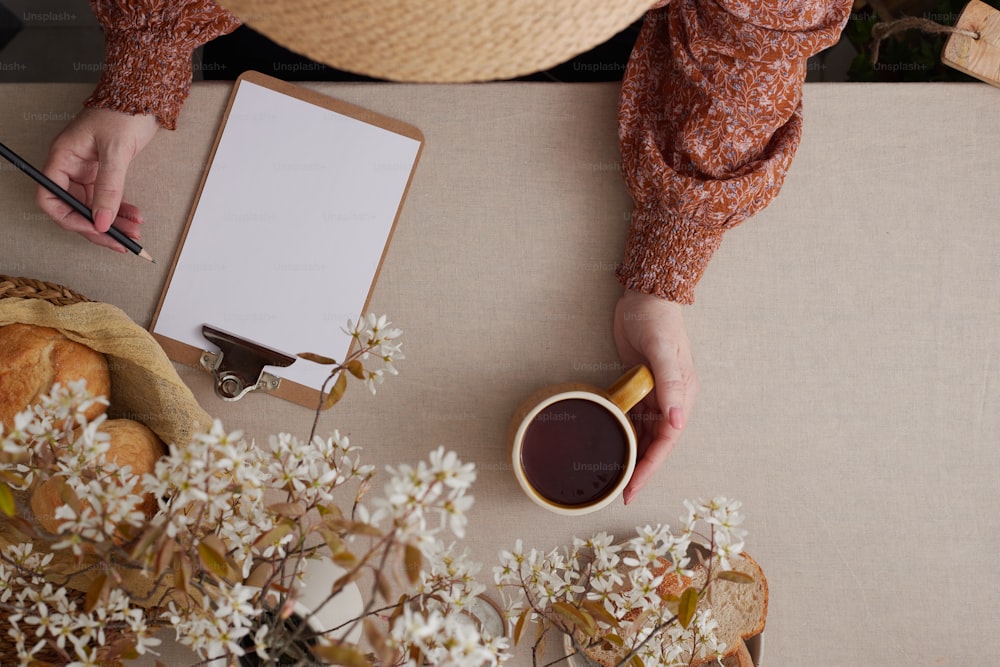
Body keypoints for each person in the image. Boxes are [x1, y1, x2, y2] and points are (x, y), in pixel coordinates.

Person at [36, 0, 852, 504]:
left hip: (608, 65)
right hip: (280, 23)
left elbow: (757, 34)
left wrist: (670, 262)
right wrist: (143, 71)